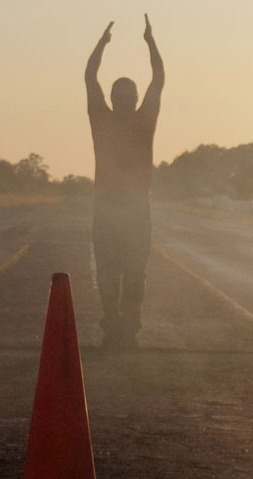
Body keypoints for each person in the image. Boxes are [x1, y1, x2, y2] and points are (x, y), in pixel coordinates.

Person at [85, 14, 163, 349]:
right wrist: (146, 43)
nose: (125, 99)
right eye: (122, 94)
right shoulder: (106, 119)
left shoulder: (138, 119)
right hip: (112, 204)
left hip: (131, 205)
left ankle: (126, 325)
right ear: (115, 99)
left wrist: (148, 42)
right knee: (112, 271)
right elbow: (91, 78)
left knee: (130, 271)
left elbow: (157, 79)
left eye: (128, 94)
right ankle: (117, 324)